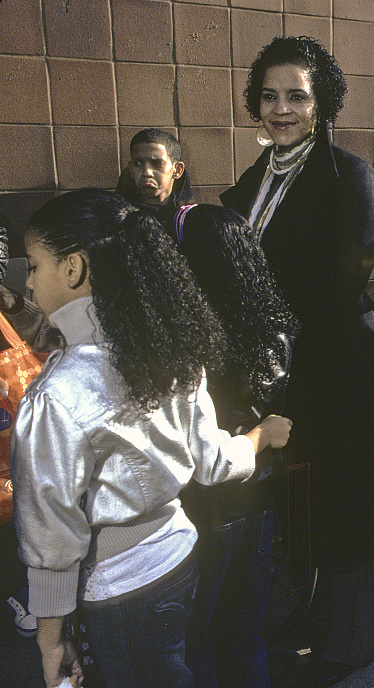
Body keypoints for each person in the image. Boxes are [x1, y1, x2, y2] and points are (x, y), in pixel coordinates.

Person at [11, 190, 293, 688]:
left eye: (34, 266)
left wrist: (50, 637)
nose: (29, 280)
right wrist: (259, 437)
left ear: (73, 268)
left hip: (119, 586)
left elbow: (51, 533)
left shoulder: (58, 393)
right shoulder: (173, 356)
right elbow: (213, 463)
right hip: (178, 558)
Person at [220, 36, 374, 685]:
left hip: (342, 367)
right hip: (283, 372)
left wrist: (256, 302)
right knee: (305, 505)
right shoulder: (251, 181)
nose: (281, 108)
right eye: (269, 95)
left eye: (296, 95)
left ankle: (352, 640)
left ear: (322, 104)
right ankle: (317, 614)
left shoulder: (349, 175)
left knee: (348, 502)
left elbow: (341, 281)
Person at [170, 205, 299, 688]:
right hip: (258, 496)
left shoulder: (187, 337)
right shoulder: (273, 325)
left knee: (196, 636)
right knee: (245, 633)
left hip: (204, 504)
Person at [114, 128, 194, 226]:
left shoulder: (194, 219)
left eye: (158, 164)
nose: (147, 172)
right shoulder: (117, 219)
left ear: (177, 170)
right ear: (131, 169)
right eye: (138, 163)